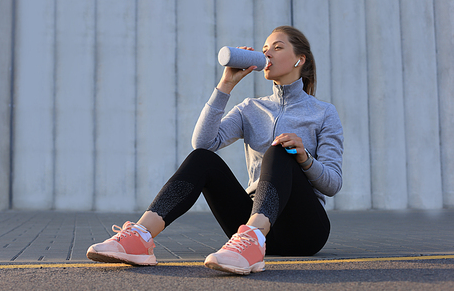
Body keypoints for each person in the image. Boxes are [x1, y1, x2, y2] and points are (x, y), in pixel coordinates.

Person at [86, 25, 344, 275]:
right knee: (203, 159)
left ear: (300, 59)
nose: (267, 53)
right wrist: (226, 84)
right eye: (265, 48)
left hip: (303, 230)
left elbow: (332, 184)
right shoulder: (251, 108)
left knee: (280, 151)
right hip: (253, 224)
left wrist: (304, 158)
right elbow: (203, 143)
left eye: (277, 47)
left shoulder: (323, 113)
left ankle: (252, 239)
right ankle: (140, 237)